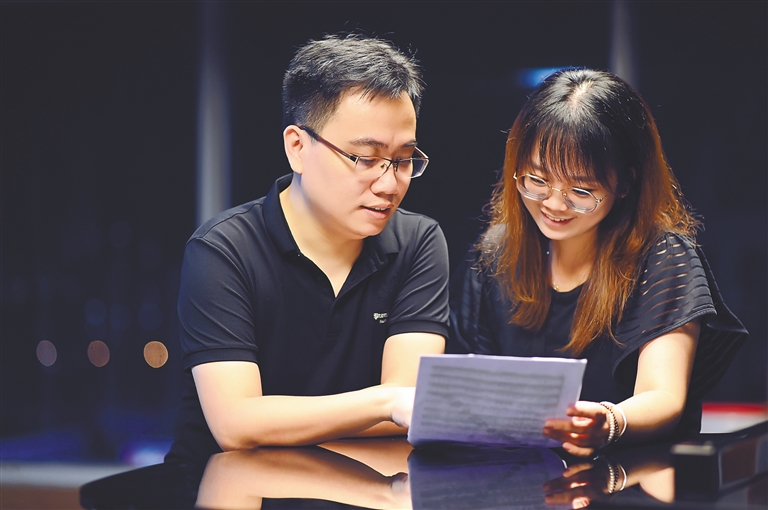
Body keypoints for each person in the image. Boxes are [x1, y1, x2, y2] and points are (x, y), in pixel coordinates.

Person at [165, 33, 448, 464]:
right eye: (365, 158)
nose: (389, 184)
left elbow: (413, 410)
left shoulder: (418, 242)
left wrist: (280, 421)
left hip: (363, 486)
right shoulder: (223, 250)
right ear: (297, 147)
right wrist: (385, 402)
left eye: (404, 159)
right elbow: (236, 426)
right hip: (231, 486)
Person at [449, 68, 747, 457]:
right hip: (516, 476)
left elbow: (663, 396)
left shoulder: (663, 258)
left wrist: (608, 422)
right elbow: (472, 388)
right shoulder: (495, 254)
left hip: (632, 478)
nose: (554, 204)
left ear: (624, 183)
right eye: (537, 180)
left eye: (580, 190)